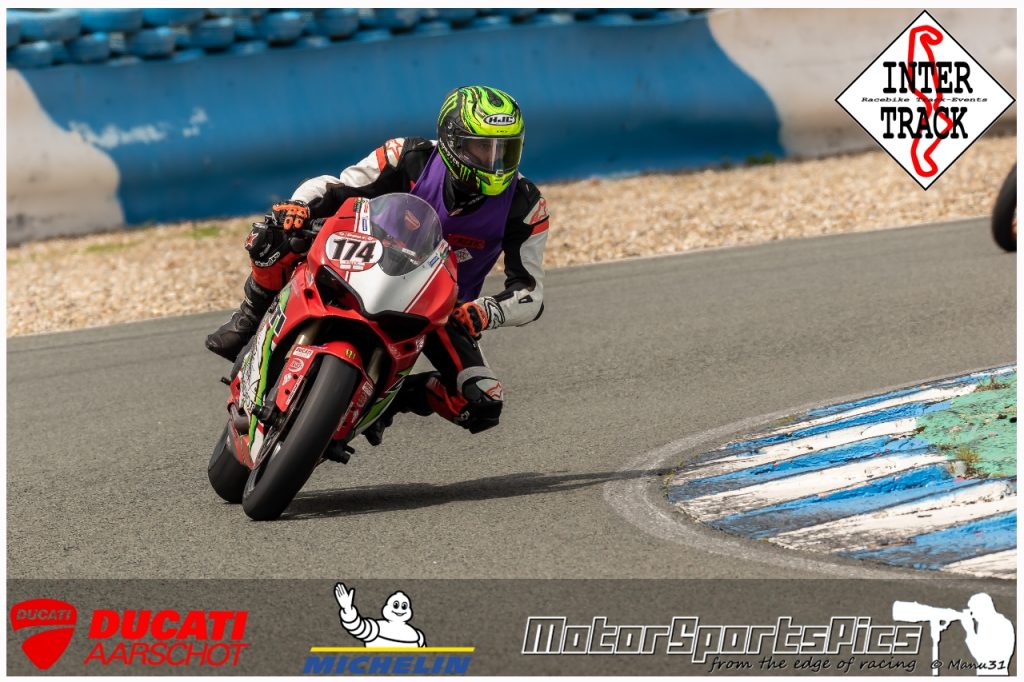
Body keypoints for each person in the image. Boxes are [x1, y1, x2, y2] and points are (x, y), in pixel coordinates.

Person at [206, 85, 550, 441]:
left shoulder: (526, 205)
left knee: (482, 402)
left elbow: (530, 292)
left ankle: (390, 402)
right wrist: (300, 207)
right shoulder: (407, 155)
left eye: (505, 150)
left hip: (438, 306)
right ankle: (248, 319)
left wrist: (486, 312)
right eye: (483, 148)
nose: (495, 160)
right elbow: (338, 187)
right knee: (272, 235)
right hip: (364, 256)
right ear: (453, 142)